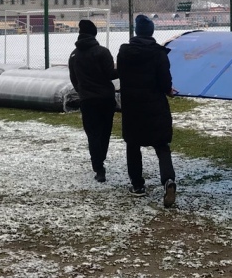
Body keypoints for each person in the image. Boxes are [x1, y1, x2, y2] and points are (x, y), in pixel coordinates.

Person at [116, 14, 177, 207]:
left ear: (136, 31)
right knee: (162, 145)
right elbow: (165, 82)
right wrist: (168, 90)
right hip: (155, 106)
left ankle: (137, 185)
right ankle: (168, 180)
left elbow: (121, 75)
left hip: (132, 107)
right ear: (151, 32)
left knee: (133, 145)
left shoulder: (124, 52)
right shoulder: (159, 53)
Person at [68, 19, 118, 183]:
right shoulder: (102, 52)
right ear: (94, 34)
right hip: (106, 99)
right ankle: (100, 159)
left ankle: (98, 167)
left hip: (88, 101)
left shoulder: (74, 55)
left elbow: (74, 79)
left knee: (93, 134)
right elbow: (111, 74)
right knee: (104, 132)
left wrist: (82, 92)